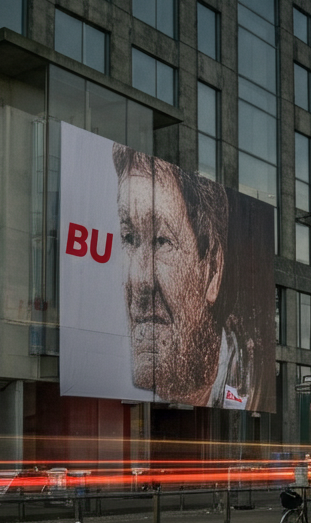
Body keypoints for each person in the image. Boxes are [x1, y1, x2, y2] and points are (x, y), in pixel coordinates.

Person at [113, 144, 269, 409]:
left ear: (212, 268)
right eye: (129, 238)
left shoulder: (250, 387)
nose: (139, 281)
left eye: (162, 241)